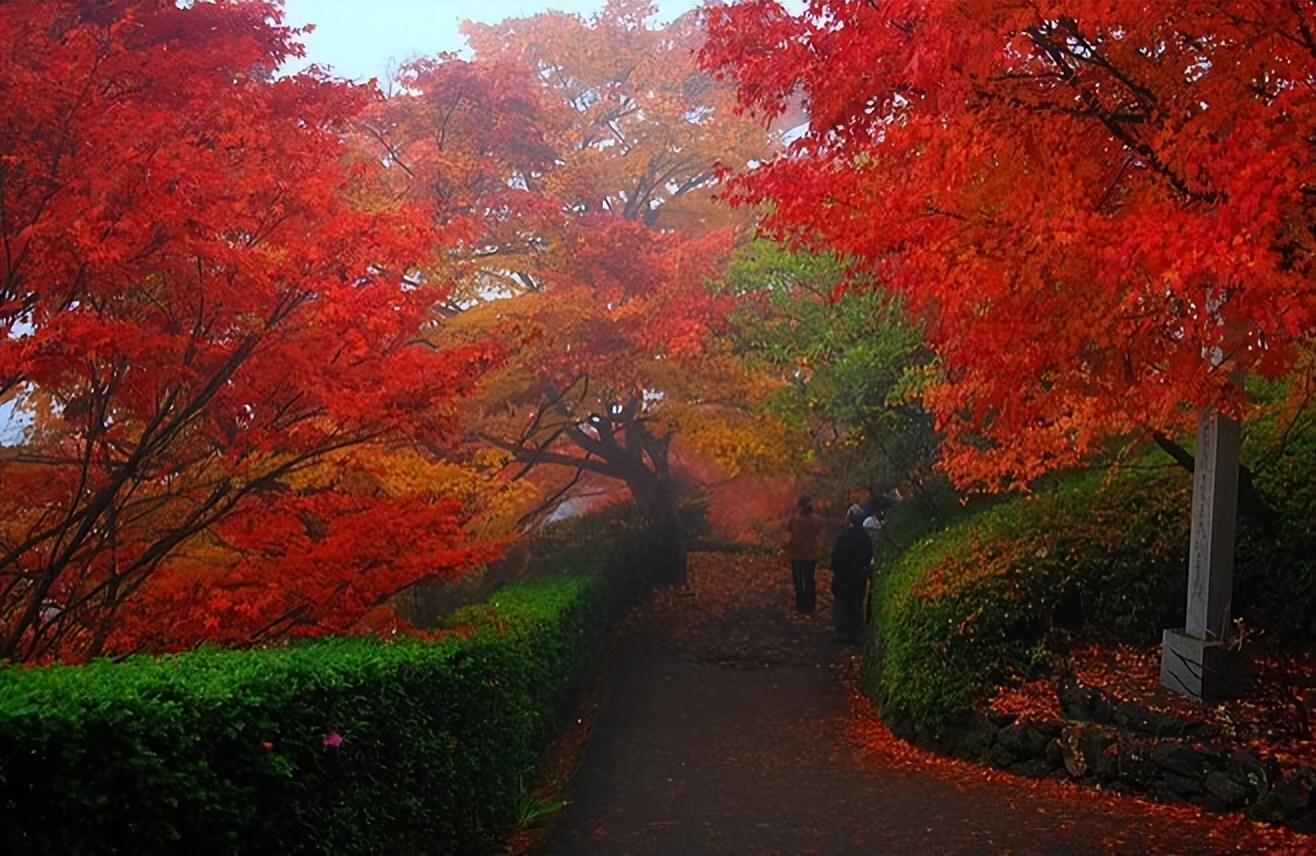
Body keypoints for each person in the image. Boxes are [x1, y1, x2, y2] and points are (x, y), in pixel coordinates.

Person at [829, 504, 874, 644]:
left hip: (843, 576)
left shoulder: (843, 536)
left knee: (842, 604)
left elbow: (836, 556)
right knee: (857, 604)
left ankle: (843, 632)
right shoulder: (866, 538)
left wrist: (834, 567)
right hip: (859, 576)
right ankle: (856, 633)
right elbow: (869, 556)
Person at [784, 495, 823, 613]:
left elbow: (788, 531)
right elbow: (819, 528)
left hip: (797, 554)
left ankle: (800, 604)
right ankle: (810, 605)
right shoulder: (816, 520)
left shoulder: (795, 519)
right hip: (811, 554)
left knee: (798, 580)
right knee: (809, 579)